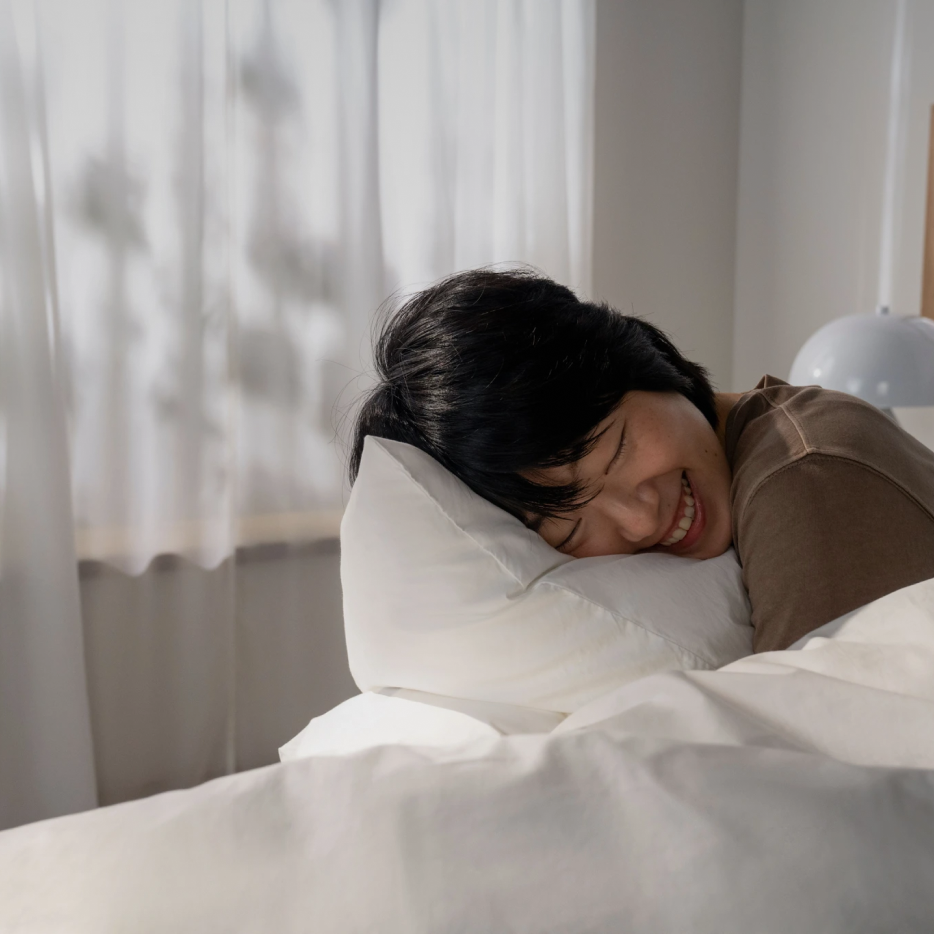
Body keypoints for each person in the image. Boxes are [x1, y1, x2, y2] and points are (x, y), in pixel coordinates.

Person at [350, 268, 934, 652]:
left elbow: (824, 782)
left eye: (616, 449)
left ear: (639, 358)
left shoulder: (807, 477)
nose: (639, 518)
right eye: (573, 528)